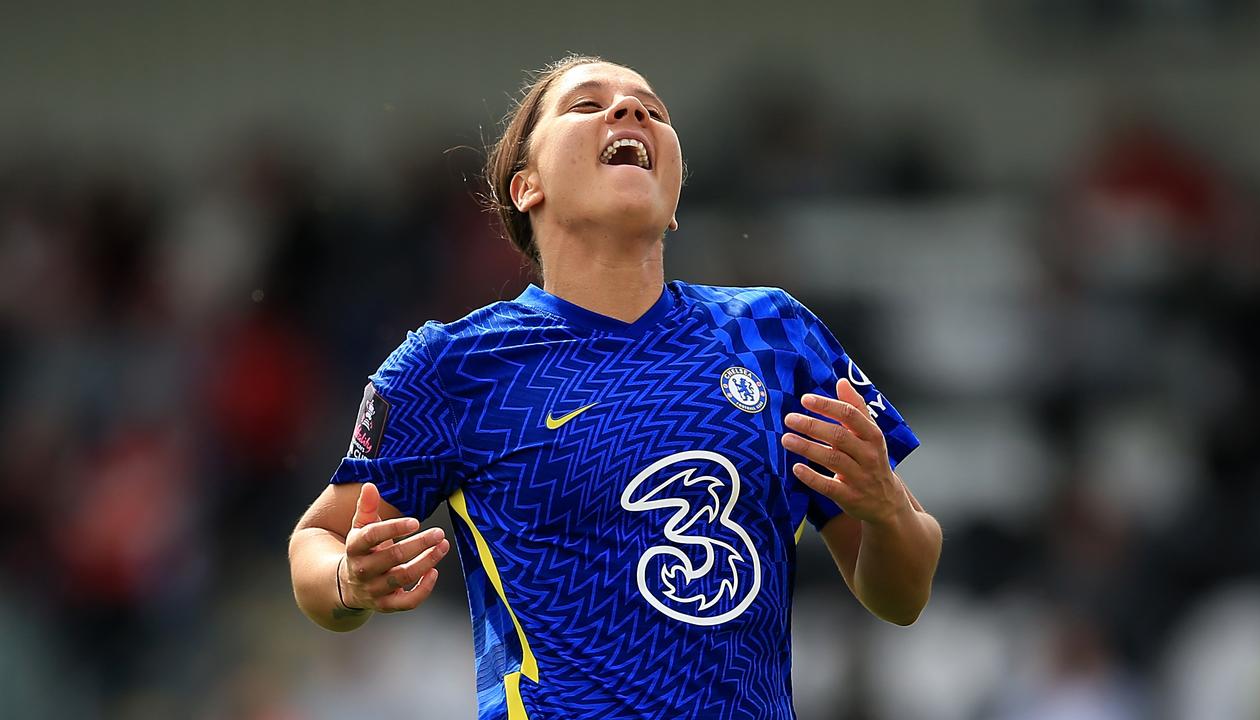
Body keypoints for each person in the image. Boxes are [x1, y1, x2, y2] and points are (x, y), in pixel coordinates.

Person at [288, 54, 942, 719]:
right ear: (527, 187)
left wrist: (886, 506)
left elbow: (904, 594)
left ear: (676, 197)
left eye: (652, 109)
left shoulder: (776, 334)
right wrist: (348, 580)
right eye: (586, 105)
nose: (631, 112)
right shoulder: (450, 366)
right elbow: (317, 542)